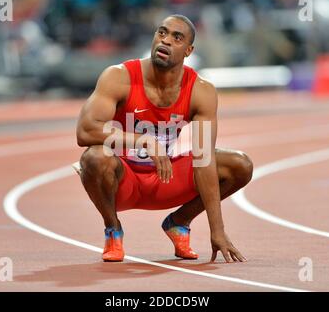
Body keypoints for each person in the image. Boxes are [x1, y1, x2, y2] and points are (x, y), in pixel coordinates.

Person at [76, 14, 253, 263]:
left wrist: (217, 230)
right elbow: (84, 131)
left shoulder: (200, 91)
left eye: (176, 37)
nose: (166, 40)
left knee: (239, 165)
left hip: (165, 177)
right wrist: (141, 140)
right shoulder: (119, 77)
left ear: (188, 50)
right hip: (122, 180)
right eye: (162, 32)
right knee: (94, 157)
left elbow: (203, 158)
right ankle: (113, 229)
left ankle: (179, 222)